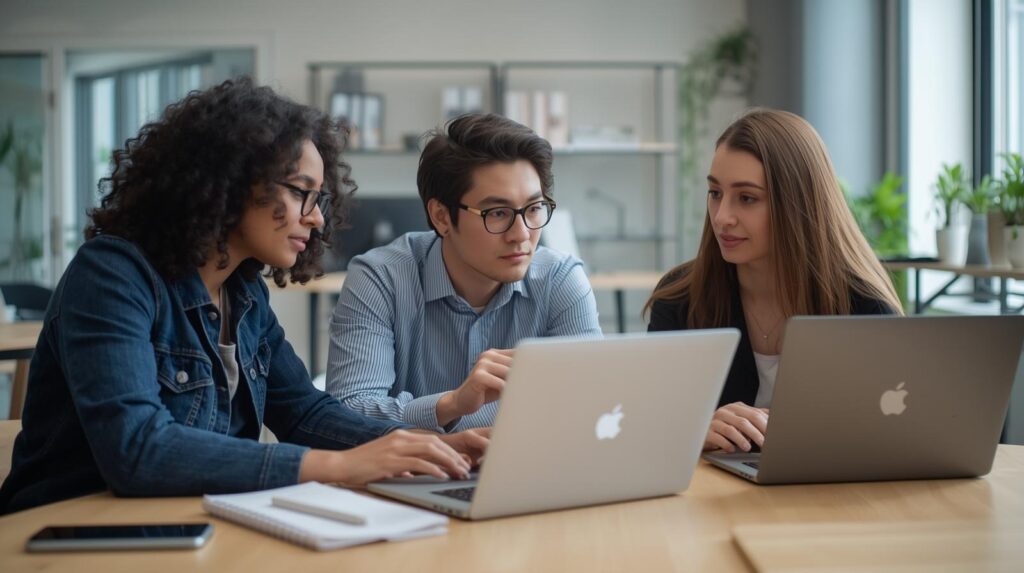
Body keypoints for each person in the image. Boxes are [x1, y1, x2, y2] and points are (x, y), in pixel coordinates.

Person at [0, 78, 488, 515]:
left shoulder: (245, 293)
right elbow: (138, 449)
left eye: (320, 200)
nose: (317, 218)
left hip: (186, 523)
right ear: (229, 182)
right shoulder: (112, 274)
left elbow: (303, 412)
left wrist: (431, 445)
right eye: (303, 192)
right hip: (68, 530)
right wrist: (338, 465)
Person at [645, 108, 902, 454]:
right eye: (715, 193)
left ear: (797, 203)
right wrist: (693, 430)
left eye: (747, 198)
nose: (722, 217)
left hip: (831, 500)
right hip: (713, 503)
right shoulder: (680, 299)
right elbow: (645, 424)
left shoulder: (864, 307)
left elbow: (893, 436)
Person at [326, 113, 602, 432]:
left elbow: (591, 406)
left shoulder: (560, 280)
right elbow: (347, 413)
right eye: (497, 213)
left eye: (534, 208)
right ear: (442, 217)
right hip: (412, 478)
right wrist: (452, 404)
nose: (522, 233)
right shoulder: (381, 278)